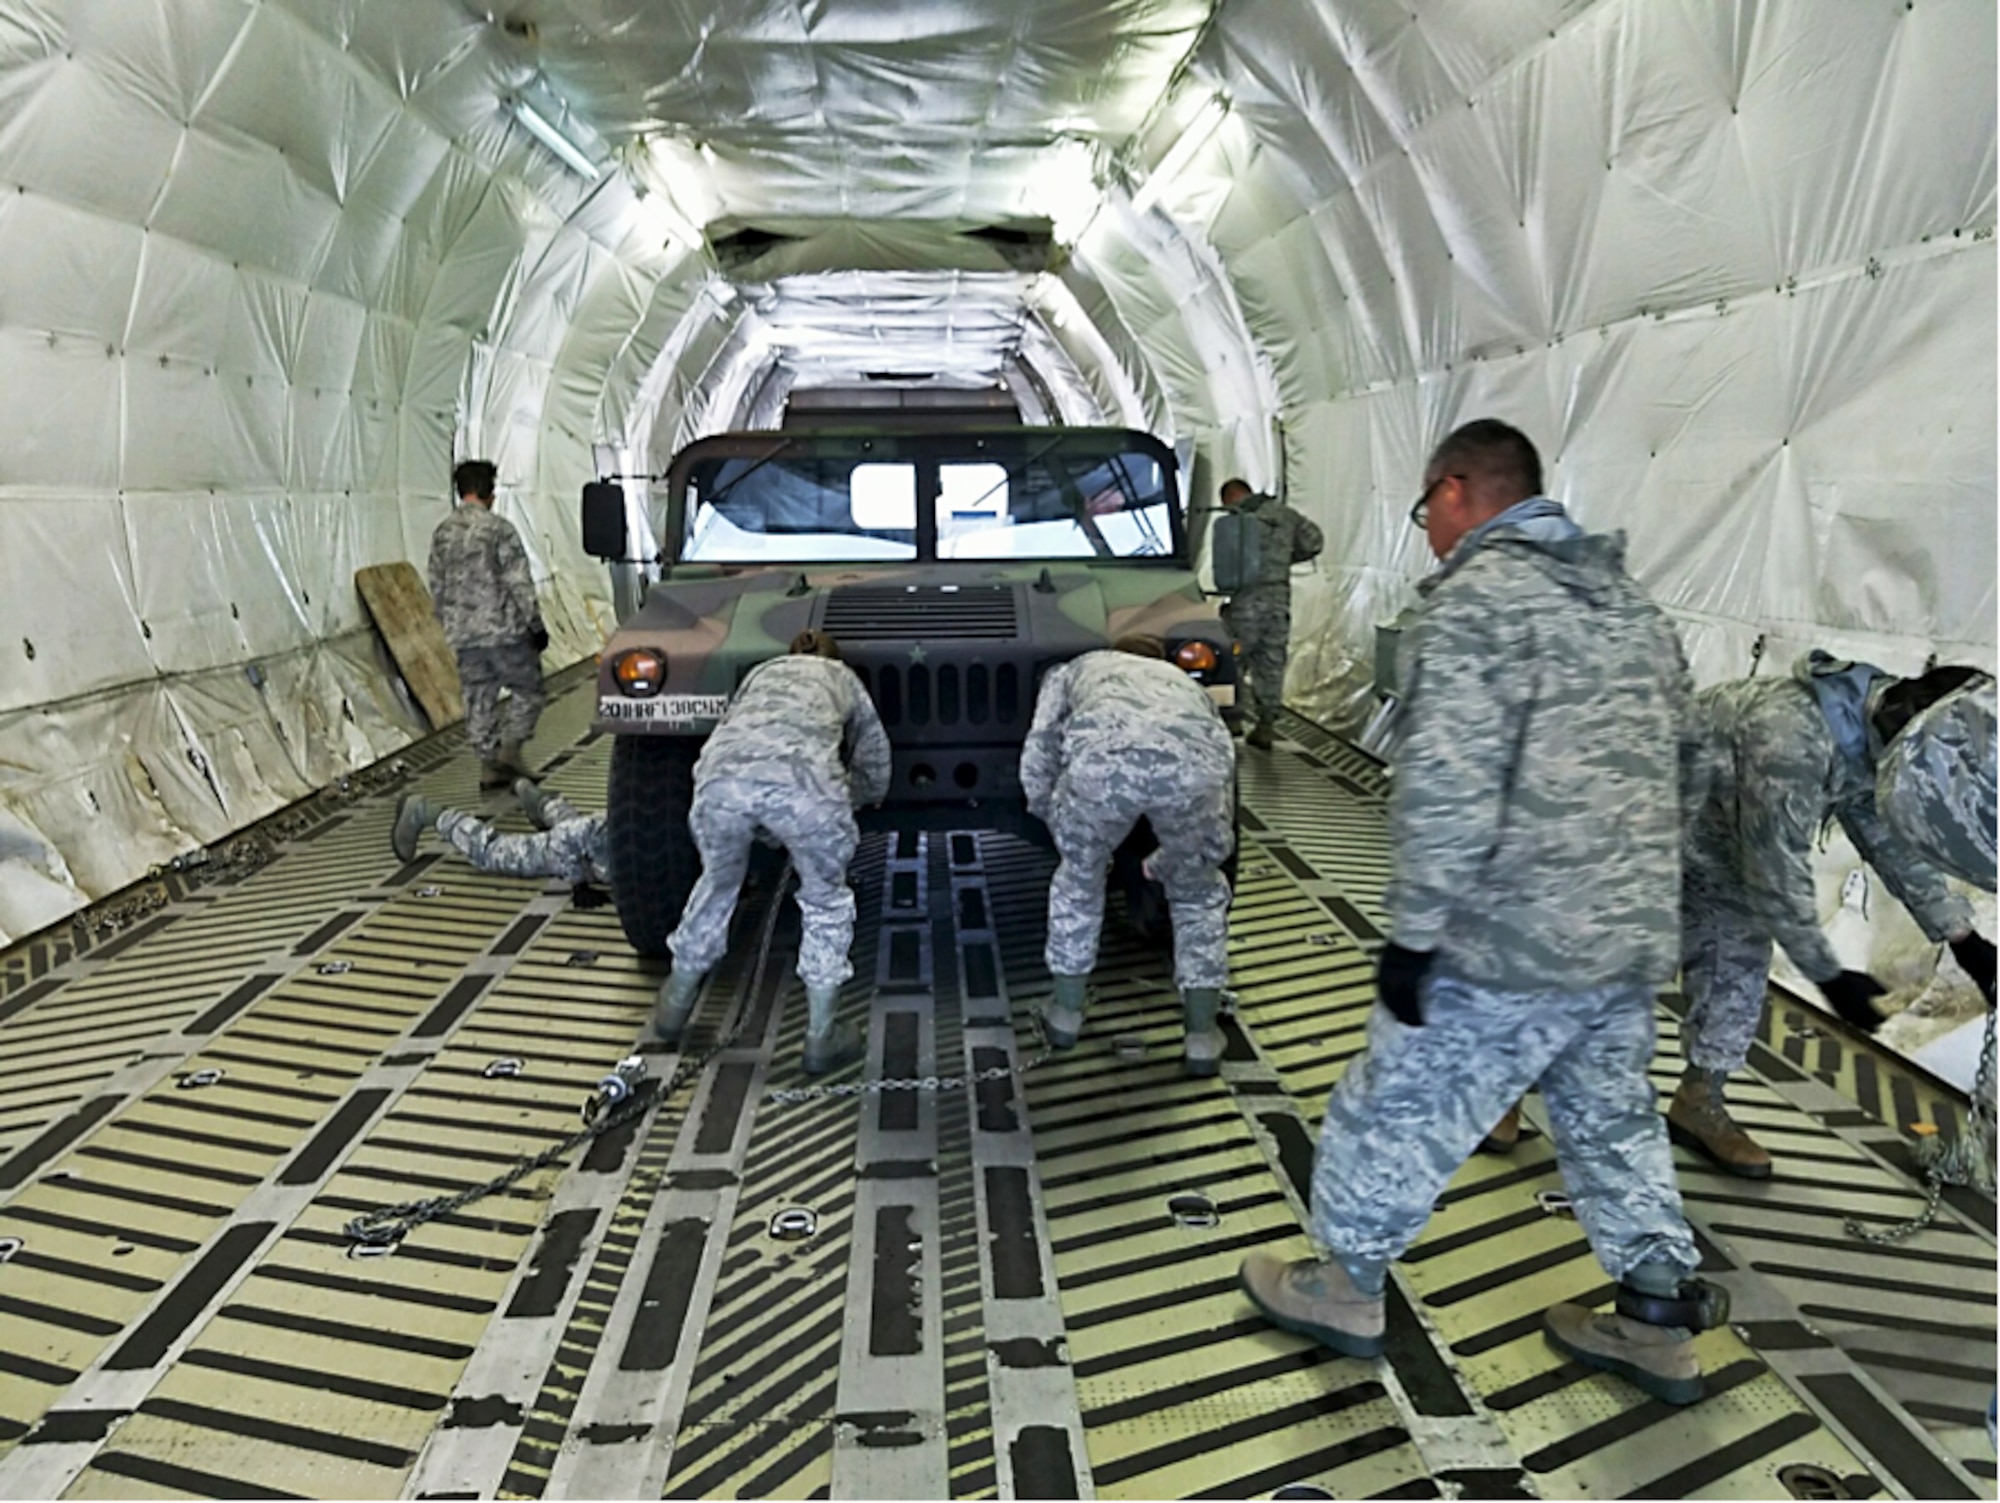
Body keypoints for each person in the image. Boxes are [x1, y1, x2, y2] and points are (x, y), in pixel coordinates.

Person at [1238, 419, 1728, 1406]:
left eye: (1425, 511)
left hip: (1504, 933)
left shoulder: (1477, 604)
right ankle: (1654, 1315)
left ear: (1456, 491)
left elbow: (1450, 786)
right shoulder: (1631, 607)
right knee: (1610, 1120)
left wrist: (1414, 938)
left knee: (1394, 1103)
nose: (1424, 532)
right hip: (1624, 935)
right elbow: (1688, 767)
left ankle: (1341, 1286)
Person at [1674, 658, 1998, 1175]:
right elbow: (1775, 870)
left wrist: (1963, 939)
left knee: (1734, 968)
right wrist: (1828, 975)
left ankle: (1698, 1102)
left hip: (1718, 850)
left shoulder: (1874, 741)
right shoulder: (1789, 735)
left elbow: (1888, 840)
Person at [651, 631, 891, 1074]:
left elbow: (735, 733)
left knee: (718, 884)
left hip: (720, 783)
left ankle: (673, 1009)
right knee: (825, 902)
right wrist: (856, 799)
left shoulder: (761, 673)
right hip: (805, 788)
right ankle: (821, 1038)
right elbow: (873, 754)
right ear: (834, 657)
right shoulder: (842, 678)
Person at [1021, 636, 1237, 1077]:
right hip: (1192, 774)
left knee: (1078, 884)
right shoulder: (1184, 682)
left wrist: (1054, 819)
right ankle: (1200, 1037)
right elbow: (1223, 759)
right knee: (1198, 896)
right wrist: (1169, 862)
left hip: (1100, 769)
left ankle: (1064, 1015)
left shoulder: (1075, 668)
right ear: (1155, 658)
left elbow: (1040, 746)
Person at [429, 459, 548, 790]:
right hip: (505, 632)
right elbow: (518, 581)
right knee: (529, 689)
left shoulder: (442, 534)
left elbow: (436, 586)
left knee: (479, 698)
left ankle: (488, 766)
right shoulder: (499, 529)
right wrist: (535, 624)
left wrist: (451, 623)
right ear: (488, 491)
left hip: (465, 637)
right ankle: (511, 750)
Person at [1215, 478, 1324, 750]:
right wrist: (1283, 557)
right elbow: (1314, 542)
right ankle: (1266, 725)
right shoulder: (1286, 515)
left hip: (1246, 600)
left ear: (1230, 498)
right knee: (1271, 662)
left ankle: (1233, 720)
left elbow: (1225, 565)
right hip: (1278, 601)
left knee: (1234, 660)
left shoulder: (1237, 519)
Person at [390, 778, 608, 891]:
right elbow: (572, 835)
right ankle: (427, 813)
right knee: (492, 851)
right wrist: (577, 881)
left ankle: (538, 800)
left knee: (580, 829)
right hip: (574, 848)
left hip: (592, 843)